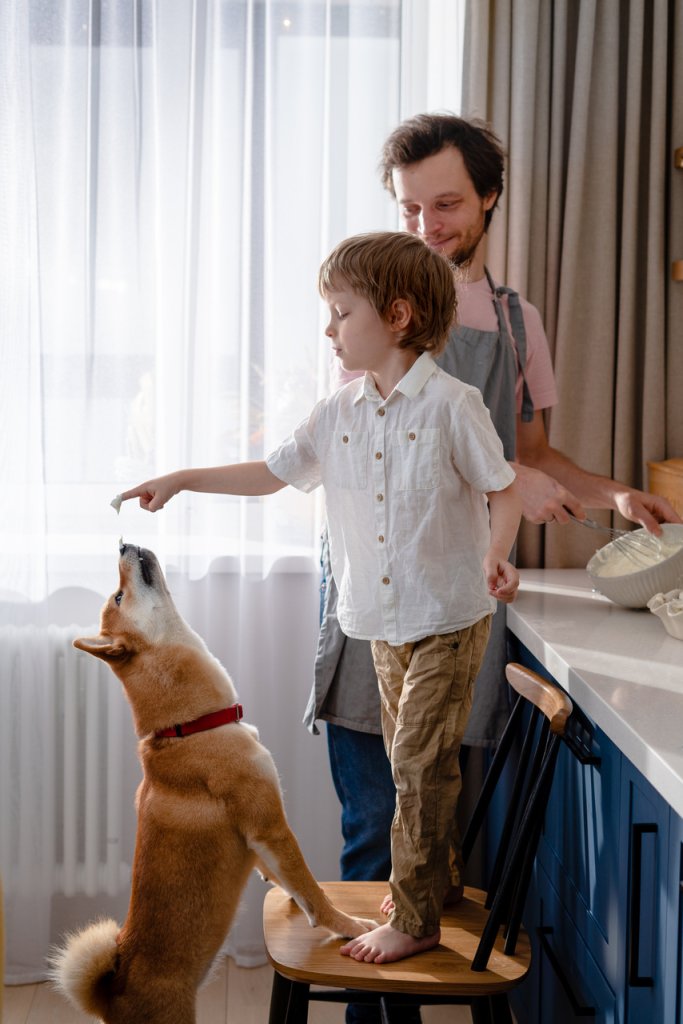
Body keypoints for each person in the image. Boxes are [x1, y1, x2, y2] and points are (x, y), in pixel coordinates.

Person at [306, 113, 682, 952]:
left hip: (456, 596)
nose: (424, 227)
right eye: (407, 208)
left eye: (444, 205)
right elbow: (354, 454)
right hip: (371, 595)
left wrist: (616, 496)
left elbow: (533, 456)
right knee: (375, 825)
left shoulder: (517, 322)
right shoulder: (363, 310)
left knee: (433, 811)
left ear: (488, 199)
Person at [120, 230, 522, 964]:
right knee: (420, 762)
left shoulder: (452, 407)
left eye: (341, 312)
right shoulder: (336, 413)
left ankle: (415, 914)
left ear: (396, 316)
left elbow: (504, 490)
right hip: (377, 623)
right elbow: (272, 473)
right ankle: (439, 885)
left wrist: (496, 554)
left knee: (415, 765)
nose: (329, 328)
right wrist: (180, 478)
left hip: (448, 618)